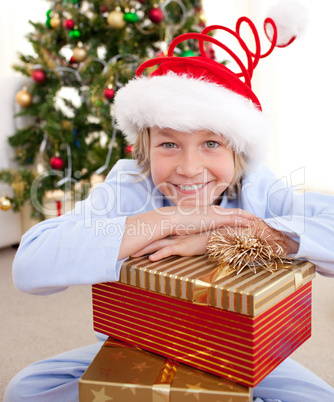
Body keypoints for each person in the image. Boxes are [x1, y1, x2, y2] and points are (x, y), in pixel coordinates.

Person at [4, 13, 334, 402]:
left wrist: (226, 234)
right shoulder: (130, 184)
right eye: (169, 144)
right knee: (27, 389)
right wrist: (170, 218)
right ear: (145, 148)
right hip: (138, 345)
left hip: (243, 354)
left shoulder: (258, 184)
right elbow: (30, 265)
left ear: (237, 150)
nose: (190, 168)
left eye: (211, 143)